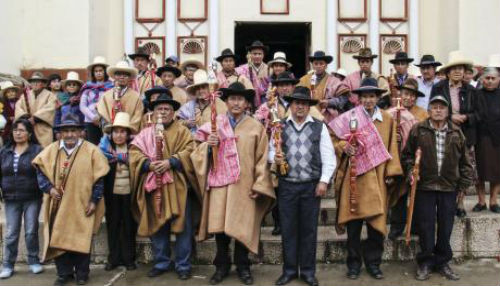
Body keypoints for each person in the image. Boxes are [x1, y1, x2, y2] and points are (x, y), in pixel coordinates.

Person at [191, 82, 275, 285]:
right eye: (232, 99)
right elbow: (195, 149)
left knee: (242, 226)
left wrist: (260, 184)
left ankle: (243, 266)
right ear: (226, 102)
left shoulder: (256, 127)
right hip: (220, 184)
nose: (236, 103)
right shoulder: (214, 123)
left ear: (247, 103)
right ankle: (221, 265)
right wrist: (207, 146)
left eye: (241, 99)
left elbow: (262, 158)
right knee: (220, 227)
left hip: (244, 185)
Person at [330, 78, 402, 280]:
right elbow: (335, 139)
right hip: (353, 179)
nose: (368, 100)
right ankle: (353, 264)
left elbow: (392, 149)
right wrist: (344, 147)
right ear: (358, 99)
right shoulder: (349, 117)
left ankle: (374, 264)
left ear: (378, 98)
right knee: (353, 225)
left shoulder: (387, 120)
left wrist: (391, 174)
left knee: (375, 226)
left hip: (378, 178)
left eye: (372, 96)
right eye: (365, 97)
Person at [269, 87, 336, 286]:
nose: (300, 106)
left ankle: (307, 271)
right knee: (288, 230)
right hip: (287, 186)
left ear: (309, 107)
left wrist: (323, 181)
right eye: (297, 103)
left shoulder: (319, 126)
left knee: (308, 231)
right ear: (290, 105)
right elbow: (270, 152)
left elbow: (329, 156)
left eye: (304, 103)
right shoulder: (279, 126)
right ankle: (289, 270)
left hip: (310, 186)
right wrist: (276, 157)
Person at [33, 113, 109, 286]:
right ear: (60, 133)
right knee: (59, 237)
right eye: (65, 131)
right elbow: (40, 171)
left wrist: (94, 201)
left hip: (83, 204)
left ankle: (82, 273)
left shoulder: (92, 150)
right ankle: (63, 273)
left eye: (73, 130)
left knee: (81, 239)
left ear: (80, 132)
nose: (69, 134)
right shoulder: (52, 149)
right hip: (58, 204)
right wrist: (49, 189)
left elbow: (99, 178)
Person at [402, 95, 473, 281]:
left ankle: (442, 261)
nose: (438, 110)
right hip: (424, 186)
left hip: (449, 187)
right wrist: (411, 171)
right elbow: (408, 156)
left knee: (446, 226)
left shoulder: (456, 132)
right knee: (425, 226)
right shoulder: (419, 130)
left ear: (448, 111)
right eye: (434, 107)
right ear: (429, 110)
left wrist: (464, 184)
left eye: (442, 107)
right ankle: (425, 262)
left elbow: (466, 162)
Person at [129, 92, 195, 280]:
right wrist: (148, 165)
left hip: (178, 186)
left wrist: (171, 162)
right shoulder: (145, 133)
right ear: (153, 112)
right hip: (153, 184)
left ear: (173, 112)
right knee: (157, 225)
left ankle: (183, 265)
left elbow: (191, 150)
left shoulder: (183, 131)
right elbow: (134, 153)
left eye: (167, 109)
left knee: (183, 227)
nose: (163, 112)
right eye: (159, 109)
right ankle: (161, 262)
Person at [430, 50, 477, 218]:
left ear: (465, 71)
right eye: (454, 68)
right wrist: (450, 116)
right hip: (444, 132)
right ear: (448, 72)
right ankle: (444, 203)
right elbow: (433, 108)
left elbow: (478, 114)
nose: (457, 71)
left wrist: (466, 117)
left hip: (466, 134)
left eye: (461, 68)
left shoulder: (471, 90)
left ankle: (460, 201)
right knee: (446, 168)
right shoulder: (439, 87)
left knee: (465, 168)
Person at [254, 71, 300, 236]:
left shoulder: (299, 103)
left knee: (293, 188)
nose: (285, 88)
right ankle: (279, 223)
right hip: (275, 150)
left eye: (288, 84)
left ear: (293, 86)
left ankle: (293, 223)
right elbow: (256, 120)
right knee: (278, 188)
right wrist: (266, 120)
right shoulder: (269, 104)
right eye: (281, 85)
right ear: (276, 88)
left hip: (296, 150)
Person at [0, 119, 43, 279]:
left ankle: (33, 261)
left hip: (32, 196)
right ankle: (8, 265)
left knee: (31, 231)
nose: (18, 133)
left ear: (30, 133)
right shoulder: (4, 151)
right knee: (11, 233)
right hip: (10, 197)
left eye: (22, 130)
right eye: (15, 130)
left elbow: (43, 173)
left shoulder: (37, 150)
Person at [386, 78, 428, 240]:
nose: (408, 98)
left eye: (412, 95)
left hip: (415, 158)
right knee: (399, 195)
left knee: (417, 194)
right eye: (406, 94)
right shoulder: (392, 113)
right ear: (400, 94)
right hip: (396, 160)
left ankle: (416, 226)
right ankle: (396, 228)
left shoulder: (422, 114)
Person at [99, 112, 137, 271]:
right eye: (116, 131)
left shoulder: (135, 149)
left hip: (129, 194)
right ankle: (113, 258)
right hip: (111, 194)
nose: (119, 135)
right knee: (113, 225)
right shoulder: (104, 150)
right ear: (111, 133)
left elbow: (138, 166)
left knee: (129, 226)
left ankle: (129, 259)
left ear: (128, 134)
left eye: (122, 131)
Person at [473, 67, 500, 213]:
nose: (489, 81)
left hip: (498, 137)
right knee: (479, 170)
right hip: (480, 137)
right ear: (482, 79)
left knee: (497, 170)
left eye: (493, 78)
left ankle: (494, 200)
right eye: (487, 78)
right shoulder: (476, 94)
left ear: (498, 80)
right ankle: (481, 200)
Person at [298, 50, 349, 123]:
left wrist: (329, 102)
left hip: (327, 119)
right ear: (312, 65)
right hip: (307, 118)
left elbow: (344, 98)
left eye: (321, 63)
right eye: (316, 63)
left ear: (326, 65)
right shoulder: (304, 80)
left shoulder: (334, 81)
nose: (318, 66)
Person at [97, 61, 144, 132]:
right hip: (110, 133)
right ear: (114, 77)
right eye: (119, 75)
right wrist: (109, 129)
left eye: (125, 75)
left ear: (129, 78)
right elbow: (102, 114)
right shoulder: (106, 95)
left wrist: (128, 130)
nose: (122, 77)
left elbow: (138, 116)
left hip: (128, 133)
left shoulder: (136, 96)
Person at [177, 69, 227, 134]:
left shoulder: (218, 103)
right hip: (193, 141)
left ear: (210, 88)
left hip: (213, 141)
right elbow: (177, 123)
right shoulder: (189, 106)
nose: (200, 91)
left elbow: (224, 125)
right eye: (197, 88)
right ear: (194, 91)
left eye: (203, 87)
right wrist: (186, 123)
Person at [15, 72, 57, 147]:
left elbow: (50, 108)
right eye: (33, 82)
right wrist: (25, 117)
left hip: (42, 128)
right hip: (28, 127)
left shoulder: (50, 95)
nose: (35, 84)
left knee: (44, 152)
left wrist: (35, 118)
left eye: (38, 81)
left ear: (43, 84)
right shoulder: (25, 95)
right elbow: (18, 107)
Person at [80, 56, 114, 145]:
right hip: (90, 121)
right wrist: (93, 117)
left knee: (106, 145)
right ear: (93, 73)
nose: (98, 73)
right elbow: (82, 106)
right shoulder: (87, 87)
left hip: (106, 120)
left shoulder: (111, 86)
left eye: (101, 71)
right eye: (96, 71)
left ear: (105, 72)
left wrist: (101, 117)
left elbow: (112, 103)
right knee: (93, 145)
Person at [236, 40, 270, 107]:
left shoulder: (269, 69)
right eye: (254, 54)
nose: (257, 56)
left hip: (265, 103)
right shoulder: (242, 69)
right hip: (247, 104)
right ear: (250, 54)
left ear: (263, 55)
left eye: (259, 54)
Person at [54, 72, 84, 139]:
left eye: (74, 84)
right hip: (64, 129)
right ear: (66, 87)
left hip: (78, 130)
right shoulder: (61, 98)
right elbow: (57, 116)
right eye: (69, 85)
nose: (71, 86)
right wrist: (57, 131)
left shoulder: (82, 98)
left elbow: (84, 116)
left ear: (78, 86)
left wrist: (84, 130)